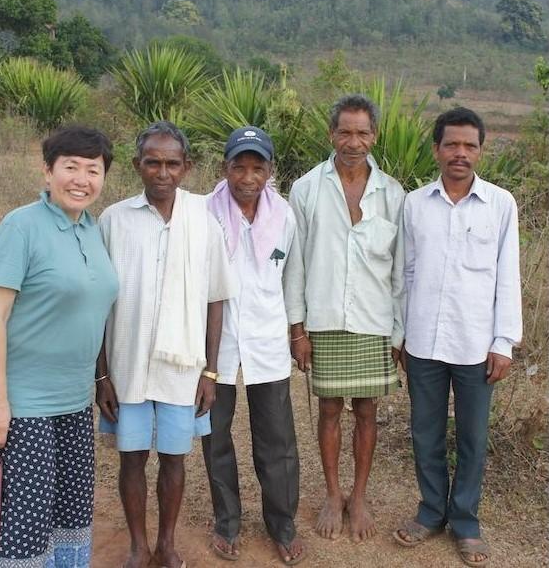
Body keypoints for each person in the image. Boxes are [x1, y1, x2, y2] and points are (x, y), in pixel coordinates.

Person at [96, 121, 236, 568]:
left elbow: (216, 299)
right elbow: (97, 302)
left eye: (172, 163)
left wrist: (210, 372)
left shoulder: (203, 221)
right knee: (132, 459)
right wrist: (101, 374)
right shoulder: (114, 220)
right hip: (127, 365)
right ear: (138, 165)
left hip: (183, 368)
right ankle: (138, 545)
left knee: (175, 459)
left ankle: (168, 543)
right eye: (152, 162)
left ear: (187, 167)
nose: (162, 172)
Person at [0, 126, 118, 567]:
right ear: (47, 172)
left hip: (75, 400)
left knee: (71, 511)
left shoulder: (94, 230)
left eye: (92, 169)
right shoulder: (21, 226)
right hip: (26, 402)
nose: (81, 179)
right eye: (70, 167)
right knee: (28, 522)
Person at [394, 108, 522, 567]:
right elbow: (404, 273)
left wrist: (503, 341)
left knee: (471, 436)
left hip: (475, 344)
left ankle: (465, 521)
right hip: (423, 341)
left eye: (469, 145)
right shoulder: (414, 204)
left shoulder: (501, 204)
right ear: (436, 149)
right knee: (425, 433)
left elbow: (508, 276)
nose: (460, 153)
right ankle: (430, 512)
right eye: (451, 144)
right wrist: (400, 333)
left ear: (481, 151)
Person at [285, 94, 405, 542]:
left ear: (374, 136)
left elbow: (400, 272)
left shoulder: (393, 194)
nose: (353, 142)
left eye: (362, 132)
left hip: (374, 323)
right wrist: (298, 329)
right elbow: (294, 263)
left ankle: (359, 496)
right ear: (330, 134)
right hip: (326, 320)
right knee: (330, 410)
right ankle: (333, 495)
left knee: (367, 411)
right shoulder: (306, 189)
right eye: (345, 132)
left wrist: (397, 335)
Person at [202, 126, 306, 565]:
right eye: (238, 165)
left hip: (266, 341)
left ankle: (281, 523)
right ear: (224, 167)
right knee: (215, 435)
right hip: (215, 345)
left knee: (277, 439)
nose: (247, 176)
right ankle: (227, 521)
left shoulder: (284, 216)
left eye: (257, 166)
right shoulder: (202, 213)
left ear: (270, 170)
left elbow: (293, 278)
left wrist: (297, 333)